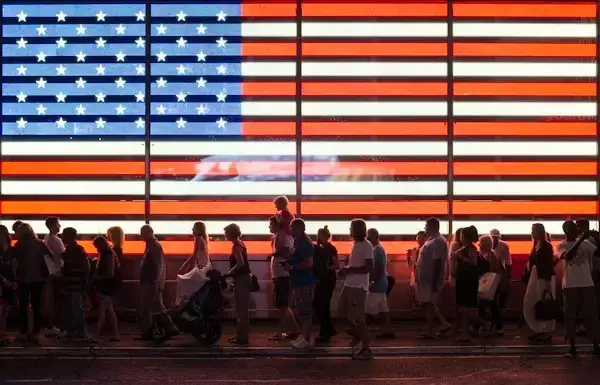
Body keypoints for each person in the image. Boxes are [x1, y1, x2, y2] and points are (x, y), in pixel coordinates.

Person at [556, 220, 600, 358]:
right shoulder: (561, 245)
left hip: (587, 283)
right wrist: (581, 239)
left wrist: (596, 238)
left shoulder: (587, 244)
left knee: (591, 316)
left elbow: (598, 253)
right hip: (570, 285)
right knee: (570, 316)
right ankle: (572, 347)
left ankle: (596, 345)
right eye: (573, 228)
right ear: (566, 231)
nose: (576, 230)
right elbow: (568, 256)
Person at [338, 218, 374, 360]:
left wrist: (351, 269)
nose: (349, 231)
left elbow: (369, 267)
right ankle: (358, 335)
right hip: (349, 284)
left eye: (351, 228)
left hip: (358, 287)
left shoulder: (366, 245)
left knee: (358, 318)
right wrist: (346, 270)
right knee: (341, 314)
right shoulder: (355, 244)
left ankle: (366, 348)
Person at [137, 225, 178, 341]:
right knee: (156, 305)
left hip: (150, 282)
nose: (141, 236)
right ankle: (170, 327)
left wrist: (155, 281)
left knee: (147, 308)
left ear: (150, 233)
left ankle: (148, 333)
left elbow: (158, 265)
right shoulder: (153, 245)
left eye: (143, 233)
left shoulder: (154, 246)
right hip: (150, 281)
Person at [14, 223, 52, 344]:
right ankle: (36, 332)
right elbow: (49, 256)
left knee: (23, 306)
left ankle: (24, 332)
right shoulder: (39, 244)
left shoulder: (19, 245)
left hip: (23, 278)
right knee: (36, 306)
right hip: (38, 278)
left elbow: (15, 260)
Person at [454, 225, 491, 343]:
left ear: (465, 236)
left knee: (463, 308)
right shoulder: (466, 248)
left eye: (462, 235)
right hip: (464, 281)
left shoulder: (470, 249)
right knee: (464, 308)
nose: (460, 237)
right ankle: (465, 335)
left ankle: (484, 323)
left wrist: (462, 258)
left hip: (468, 282)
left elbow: (473, 263)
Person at [416, 218, 451, 339]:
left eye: (427, 226)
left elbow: (437, 262)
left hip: (431, 280)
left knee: (430, 304)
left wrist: (436, 281)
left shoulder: (438, 241)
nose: (425, 228)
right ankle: (435, 327)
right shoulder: (431, 241)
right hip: (426, 279)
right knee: (429, 304)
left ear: (434, 227)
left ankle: (433, 328)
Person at [522, 223, 556, 343]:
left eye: (533, 230)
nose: (532, 232)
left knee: (539, 302)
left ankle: (543, 331)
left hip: (542, 278)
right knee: (534, 303)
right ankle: (541, 330)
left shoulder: (545, 246)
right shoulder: (539, 245)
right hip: (536, 277)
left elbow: (546, 264)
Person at [287, 219, 316, 349]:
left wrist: (293, 267)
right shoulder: (297, 242)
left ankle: (306, 338)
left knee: (305, 310)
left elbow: (309, 262)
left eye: (292, 227)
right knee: (300, 310)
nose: (290, 229)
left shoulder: (305, 243)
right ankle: (303, 336)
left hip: (305, 281)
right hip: (298, 280)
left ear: (299, 228)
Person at [267, 216, 297, 341]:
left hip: (283, 275)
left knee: (283, 304)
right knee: (282, 304)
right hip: (278, 275)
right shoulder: (278, 237)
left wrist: (275, 253)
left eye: (271, 224)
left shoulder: (284, 237)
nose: (269, 227)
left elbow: (287, 252)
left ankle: (280, 332)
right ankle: (296, 330)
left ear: (277, 225)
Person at [61, 227, 92, 342]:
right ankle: (78, 331)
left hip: (73, 283)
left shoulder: (73, 250)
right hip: (75, 283)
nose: (62, 237)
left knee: (74, 307)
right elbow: (86, 267)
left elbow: (84, 266)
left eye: (64, 235)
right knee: (74, 307)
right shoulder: (76, 249)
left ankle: (78, 331)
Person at [225, 223, 252, 345]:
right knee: (241, 308)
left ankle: (242, 338)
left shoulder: (236, 246)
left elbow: (240, 263)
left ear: (231, 233)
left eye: (226, 232)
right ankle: (239, 334)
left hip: (241, 278)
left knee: (241, 309)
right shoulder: (240, 243)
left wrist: (230, 272)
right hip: (243, 278)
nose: (224, 234)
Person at [366, 228, 394, 339]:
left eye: (369, 237)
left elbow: (378, 268)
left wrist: (371, 282)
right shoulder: (377, 249)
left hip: (377, 284)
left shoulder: (377, 250)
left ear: (374, 237)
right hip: (381, 283)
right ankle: (388, 329)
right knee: (383, 308)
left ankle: (359, 330)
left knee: (367, 308)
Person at [92, 236, 121, 342]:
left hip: (107, 287)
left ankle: (97, 335)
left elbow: (110, 274)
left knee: (103, 311)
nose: (96, 249)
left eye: (96, 246)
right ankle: (115, 334)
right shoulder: (109, 254)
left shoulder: (108, 256)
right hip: (109, 286)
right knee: (109, 311)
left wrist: (96, 277)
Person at [313, 225, 339, 342]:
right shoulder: (319, 248)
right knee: (320, 304)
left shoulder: (330, 248)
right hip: (322, 278)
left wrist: (325, 268)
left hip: (328, 279)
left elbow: (336, 264)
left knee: (322, 304)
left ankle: (325, 330)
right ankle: (328, 328)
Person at [475, 235, 504, 336]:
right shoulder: (492, 253)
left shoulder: (489, 254)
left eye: (481, 242)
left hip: (490, 284)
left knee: (486, 306)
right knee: (491, 306)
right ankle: (497, 328)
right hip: (492, 284)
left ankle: (478, 327)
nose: (479, 244)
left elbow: (490, 270)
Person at [43, 216, 65, 337]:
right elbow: (63, 256)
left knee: (52, 300)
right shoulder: (56, 240)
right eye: (58, 224)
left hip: (51, 272)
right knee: (58, 300)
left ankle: (51, 325)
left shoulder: (47, 238)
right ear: (52, 226)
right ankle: (55, 325)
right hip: (58, 273)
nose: (59, 226)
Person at [0, 225, 17, 346]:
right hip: (2, 282)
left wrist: (15, 281)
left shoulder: (12, 250)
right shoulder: (9, 251)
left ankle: (2, 331)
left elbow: (16, 267)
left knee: (5, 307)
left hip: (10, 282)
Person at [489, 229, 512, 311]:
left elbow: (508, 261)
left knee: (502, 292)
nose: (494, 239)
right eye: (492, 237)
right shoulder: (487, 244)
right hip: (489, 272)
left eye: (496, 237)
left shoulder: (504, 245)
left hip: (500, 272)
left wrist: (509, 277)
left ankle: (501, 311)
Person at [407, 231, 426, 310]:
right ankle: (417, 305)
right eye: (417, 237)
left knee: (422, 291)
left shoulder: (426, 249)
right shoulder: (416, 249)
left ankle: (421, 306)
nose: (418, 239)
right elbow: (411, 264)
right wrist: (408, 256)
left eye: (419, 237)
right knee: (414, 290)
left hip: (423, 273)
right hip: (415, 273)